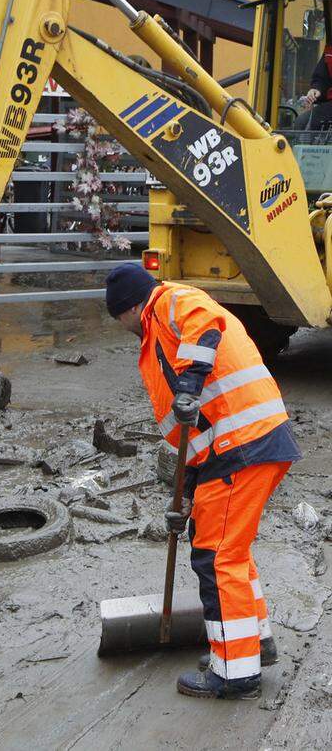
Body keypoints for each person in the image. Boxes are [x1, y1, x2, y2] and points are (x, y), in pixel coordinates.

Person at [105, 263, 301, 701]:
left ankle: (234, 672)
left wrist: (190, 382)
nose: (120, 327)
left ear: (130, 307)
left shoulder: (171, 301)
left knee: (216, 558)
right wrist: (187, 498)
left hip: (241, 444)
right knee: (229, 549)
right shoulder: (154, 340)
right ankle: (254, 644)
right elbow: (190, 432)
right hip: (233, 448)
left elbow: (205, 324)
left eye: (117, 318)